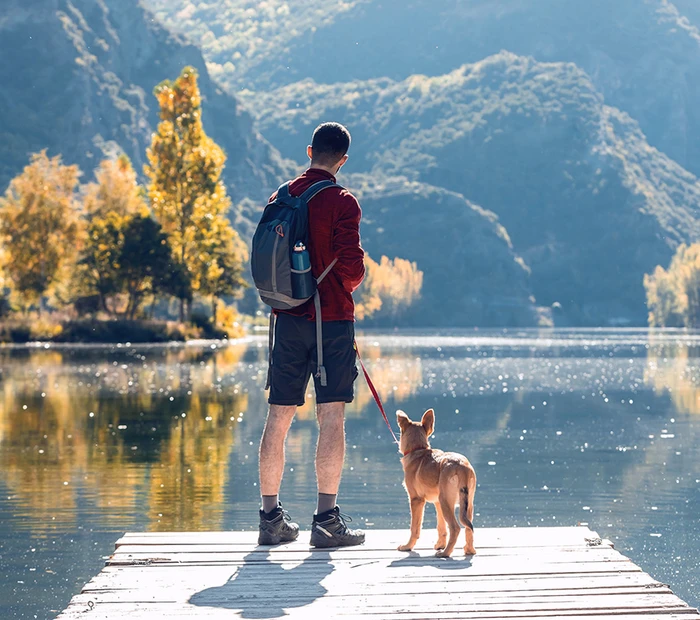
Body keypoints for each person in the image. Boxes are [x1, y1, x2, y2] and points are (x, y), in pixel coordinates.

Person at [257, 122, 366, 548]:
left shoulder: (280, 196)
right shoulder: (343, 202)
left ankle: (271, 520)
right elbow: (352, 270)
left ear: (309, 151)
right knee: (332, 416)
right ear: (342, 160)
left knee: (278, 416)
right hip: (332, 322)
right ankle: (325, 521)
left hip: (284, 319)